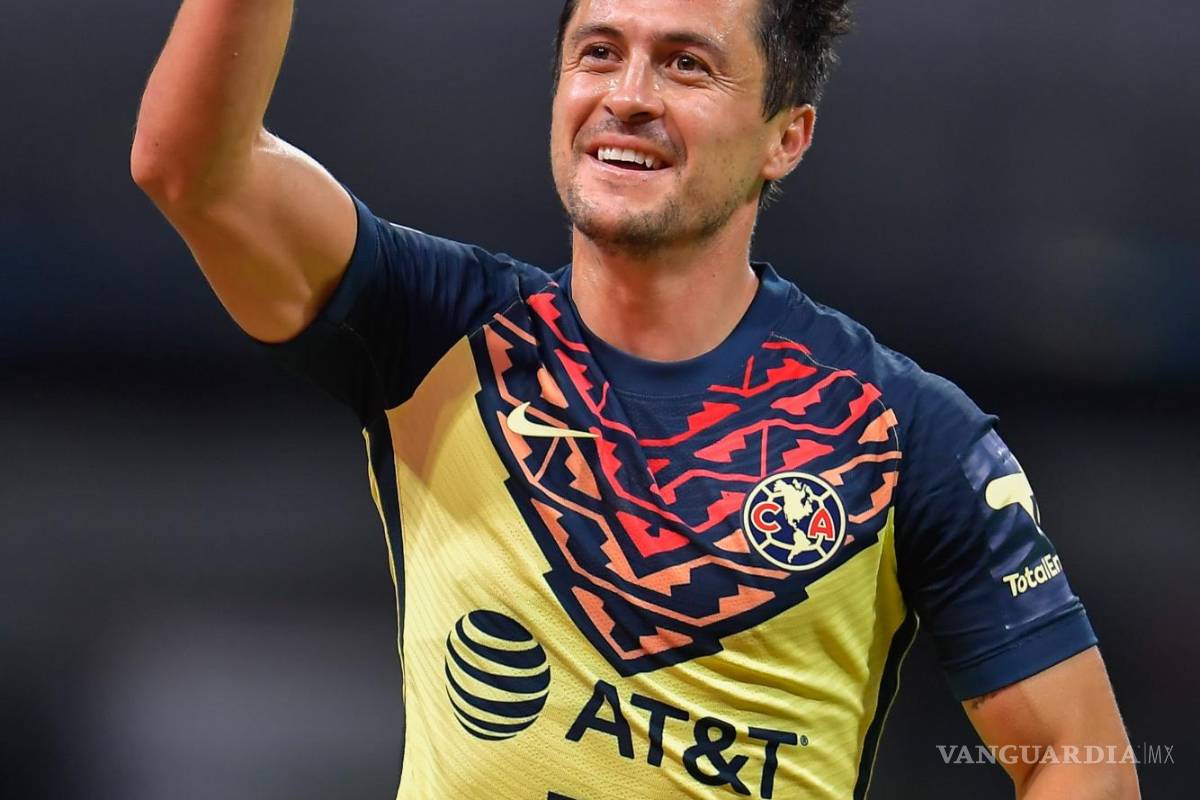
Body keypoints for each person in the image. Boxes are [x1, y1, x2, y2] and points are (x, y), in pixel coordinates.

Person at [130, 0, 1140, 797]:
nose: (627, 96)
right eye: (598, 53)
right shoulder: (435, 330)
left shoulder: (907, 434)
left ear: (787, 136)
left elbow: (1081, 759)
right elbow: (191, 171)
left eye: (686, 65)